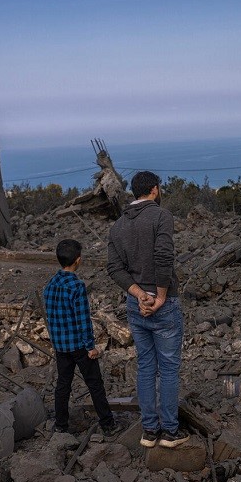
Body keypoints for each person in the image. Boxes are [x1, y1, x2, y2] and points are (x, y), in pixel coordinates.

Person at [107, 171, 189, 449]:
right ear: (154, 190)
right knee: (167, 369)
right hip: (163, 302)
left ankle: (149, 431)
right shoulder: (161, 216)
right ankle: (169, 432)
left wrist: (140, 295)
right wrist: (160, 296)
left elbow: (114, 268)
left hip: (135, 302)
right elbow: (164, 256)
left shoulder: (117, 226)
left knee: (145, 367)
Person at [43, 239, 119, 436]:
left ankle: (61, 425)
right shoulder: (77, 286)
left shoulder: (50, 284)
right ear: (78, 260)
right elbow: (83, 320)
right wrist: (90, 346)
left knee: (63, 385)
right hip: (78, 346)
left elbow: (51, 316)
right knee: (95, 384)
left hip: (61, 346)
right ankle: (108, 424)